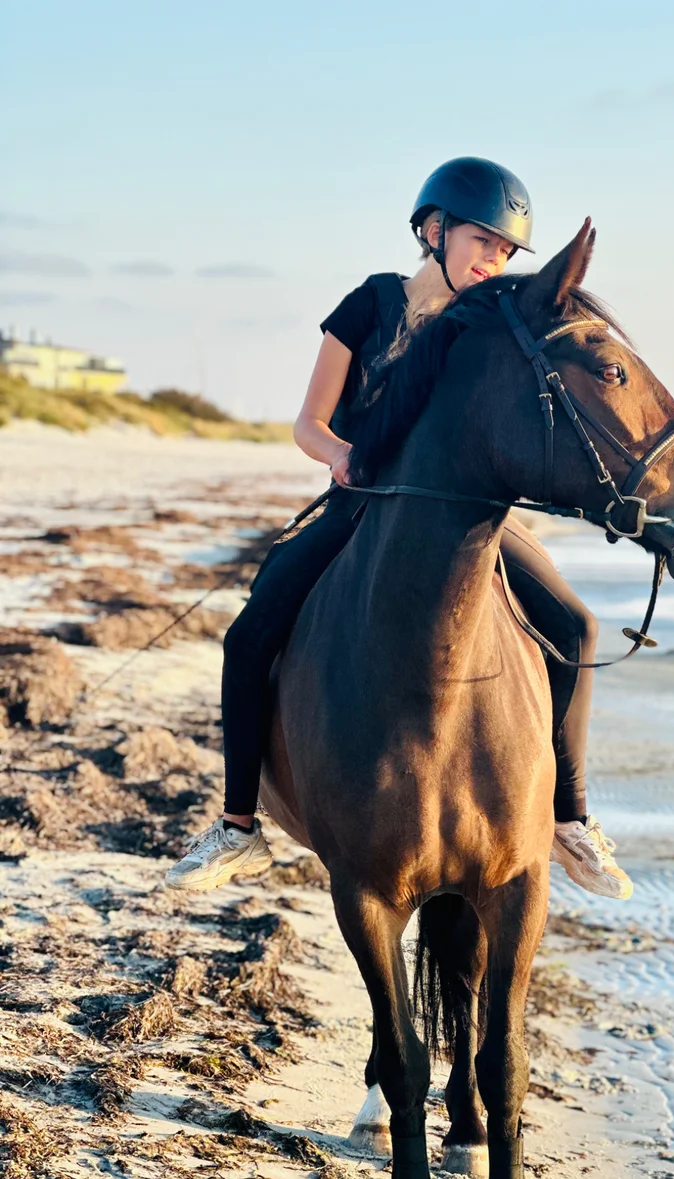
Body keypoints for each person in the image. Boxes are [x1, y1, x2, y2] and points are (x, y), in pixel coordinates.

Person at [166, 157, 632, 900]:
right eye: (484, 241)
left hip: (467, 517)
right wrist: (343, 457)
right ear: (434, 229)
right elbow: (307, 424)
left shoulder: (485, 326)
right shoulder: (370, 305)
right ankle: (236, 824)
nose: (494, 260)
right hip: (361, 503)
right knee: (248, 636)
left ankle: (571, 820)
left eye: (506, 252)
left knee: (576, 627)